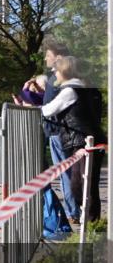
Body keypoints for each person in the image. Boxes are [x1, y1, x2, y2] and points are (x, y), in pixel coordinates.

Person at [40, 56, 105, 223]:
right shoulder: (87, 89)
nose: (54, 74)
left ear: (64, 71)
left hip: (81, 141)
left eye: (56, 70)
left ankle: (90, 221)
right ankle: (91, 221)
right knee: (88, 183)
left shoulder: (70, 91)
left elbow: (48, 110)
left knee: (80, 184)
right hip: (90, 139)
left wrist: (36, 108)